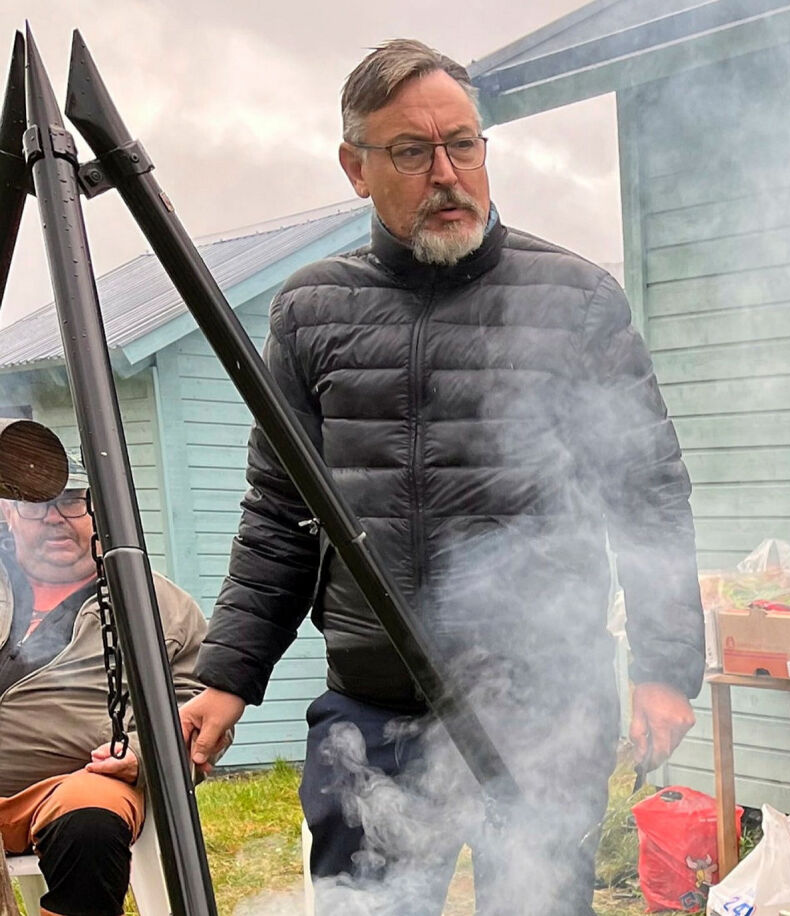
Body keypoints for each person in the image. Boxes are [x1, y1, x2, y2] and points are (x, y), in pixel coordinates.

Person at [181, 38, 705, 914]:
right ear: (356, 168)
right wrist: (230, 676)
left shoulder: (574, 298)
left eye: (463, 144)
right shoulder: (310, 313)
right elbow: (280, 512)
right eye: (413, 152)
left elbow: (646, 493)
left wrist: (664, 668)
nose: (447, 172)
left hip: (541, 711)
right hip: (374, 714)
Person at [0, 451, 207, 916]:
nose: (54, 518)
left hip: (73, 783)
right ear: (8, 513)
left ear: (99, 508)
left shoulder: (159, 606)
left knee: (89, 823)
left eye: (72, 500)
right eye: (35, 503)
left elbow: (197, 710)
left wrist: (137, 754)